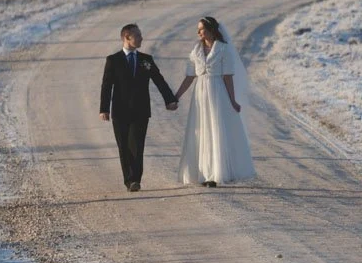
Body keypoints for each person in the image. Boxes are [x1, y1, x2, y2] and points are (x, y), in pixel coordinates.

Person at [172, 16, 255, 187]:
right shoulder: (196, 50)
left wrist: (232, 101)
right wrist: (176, 96)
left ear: (211, 30)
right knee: (201, 131)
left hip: (218, 93)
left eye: (201, 29)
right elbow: (189, 77)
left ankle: (216, 173)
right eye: (198, 29)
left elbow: (227, 78)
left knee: (216, 130)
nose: (198, 32)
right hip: (200, 95)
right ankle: (202, 173)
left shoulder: (224, 50)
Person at [99, 23, 178, 193]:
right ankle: (128, 180)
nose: (141, 38)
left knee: (137, 145)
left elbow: (159, 80)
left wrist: (170, 99)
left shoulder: (146, 60)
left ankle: (135, 180)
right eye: (138, 35)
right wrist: (103, 109)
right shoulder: (113, 60)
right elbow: (106, 86)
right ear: (127, 37)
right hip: (120, 112)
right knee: (123, 146)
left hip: (140, 111)